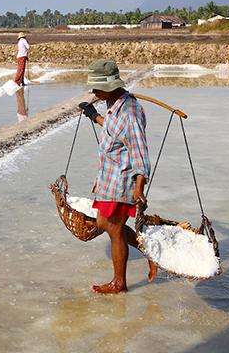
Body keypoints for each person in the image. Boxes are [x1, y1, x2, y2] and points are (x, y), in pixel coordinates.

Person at [78, 59, 157, 294]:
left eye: (96, 87)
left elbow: (140, 152)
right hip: (108, 177)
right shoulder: (114, 105)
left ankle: (119, 283)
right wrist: (93, 116)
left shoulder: (130, 113)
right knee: (104, 223)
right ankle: (149, 253)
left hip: (123, 180)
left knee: (114, 230)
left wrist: (139, 187)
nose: (93, 91)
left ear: (110, 86)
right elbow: (114, 130)